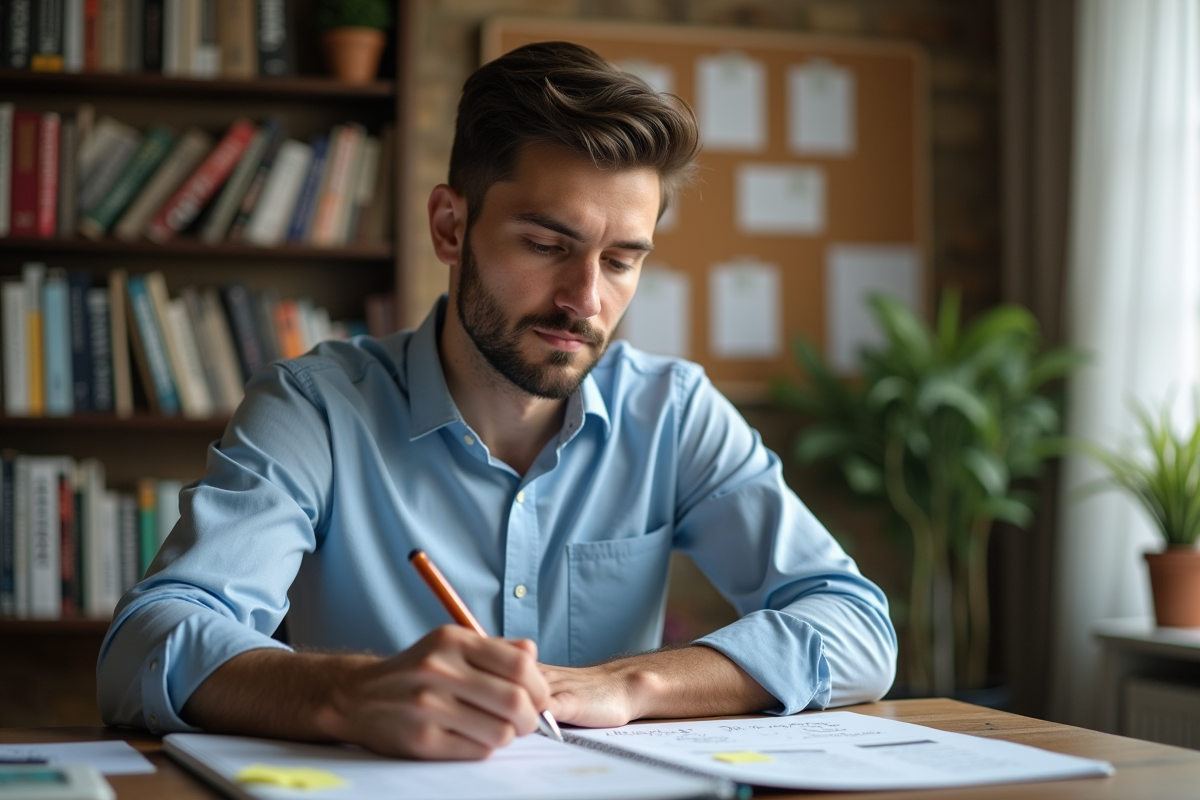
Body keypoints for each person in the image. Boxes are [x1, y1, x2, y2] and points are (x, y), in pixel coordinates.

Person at [97, 41, 897, 761]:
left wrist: (630, 686)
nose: (585, 299)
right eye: (548, 246)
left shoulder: (673, 411)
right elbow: (144, 645)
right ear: (451, 226)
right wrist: (345, 695)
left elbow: (856, 626)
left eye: (621, 260)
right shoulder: (317, 408)